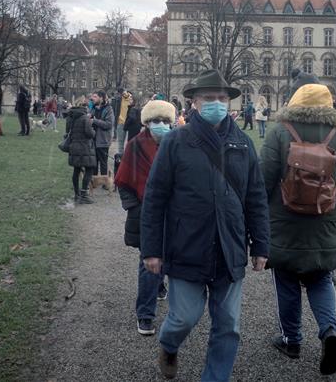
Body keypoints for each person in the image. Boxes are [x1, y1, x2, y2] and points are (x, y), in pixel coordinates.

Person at [141, 69, 269, 382]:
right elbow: (155, 198)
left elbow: (256, 197)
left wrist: (261, 245)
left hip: (230, 247)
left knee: (228, 325)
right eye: (209, 98)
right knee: (183, 317)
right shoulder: (176, 141)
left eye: (222, 98)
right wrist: (152, 250)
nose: (216, 103)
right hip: (188, 245)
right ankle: (169, 345)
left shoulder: (243, 143)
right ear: (195, 102)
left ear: (230, 102)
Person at [260, 81, 336, 375]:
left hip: (284, 218)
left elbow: (263, 177)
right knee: (321, 277)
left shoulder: (280, 131)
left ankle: (291, 340)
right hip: (323, 217)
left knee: (287, 279)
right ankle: (330, 331)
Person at [115, 99, 177, 336]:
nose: (160, 125)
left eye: (165, 121)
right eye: (155, 121)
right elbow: (123, 181)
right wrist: (136, 208)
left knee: (167, 255)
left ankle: (159, 286)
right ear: (146, 123)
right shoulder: (135, 145)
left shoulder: (177, 144)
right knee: (149, 260)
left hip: (173, 213)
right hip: (146, 213)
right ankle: (145, 314)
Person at [66, 97, 96, 204]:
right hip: (84, 148)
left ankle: (76, 194)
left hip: (74, 147)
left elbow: (67, 132)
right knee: (89, 169)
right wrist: (93, 130)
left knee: (76, 170)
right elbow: (90, 133)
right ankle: (84, 194)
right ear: (85, 106)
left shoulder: (70, 117)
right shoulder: (85, 118)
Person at [90, 90, 114, 177]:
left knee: (103, 163)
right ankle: (94, 181)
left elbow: (109, 124)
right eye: (93, 96)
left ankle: (105, 183)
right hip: (93, 140)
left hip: (103, 140)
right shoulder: (93, 108)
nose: (93, 98)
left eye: (95, 96)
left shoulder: (108, 109)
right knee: (94, 163)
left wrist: (94, 121)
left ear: (101, 98)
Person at [114, 88, 132, 154]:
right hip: (120, 123)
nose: (123, 94)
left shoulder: (131, 99)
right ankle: (121, 160)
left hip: (130, 123)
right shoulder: (118, 99)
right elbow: (115, 111)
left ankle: (129, 159)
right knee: (120, 145)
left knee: (130, 143)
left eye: (125, 92)